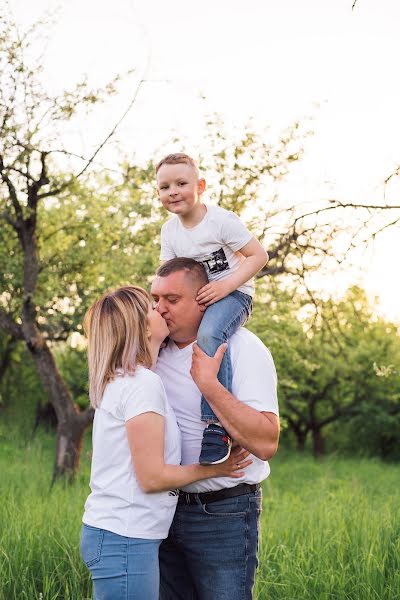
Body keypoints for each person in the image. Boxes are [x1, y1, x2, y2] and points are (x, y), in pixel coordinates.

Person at [79, 285, 252, 600]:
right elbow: (152, 477)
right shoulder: (141, 384)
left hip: (120, 534)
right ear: (142, 327)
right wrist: (216, 469)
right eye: (151, 307)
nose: (160, 309)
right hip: (125, 538)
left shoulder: (126, 379)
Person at [151, 258, 280, 600]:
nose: (160, 308)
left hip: (222, 513)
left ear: (205, 299)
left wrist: (209, 383)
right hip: (160, 509)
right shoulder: (152, 352)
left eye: (172, 300)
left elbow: (266, 442)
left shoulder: (241, 348)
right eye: (156, 299)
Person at [156, 152, 269, 465]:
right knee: (155, 328)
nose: (173, 191)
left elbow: (259, 256)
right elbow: (169, 273)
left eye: (181, 183)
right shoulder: (170, 231)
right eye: (165, 187)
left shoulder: (221, 221)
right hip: (201, 296)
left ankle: (216, 426)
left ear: (200, 186)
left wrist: (225, 286)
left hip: (234, 294)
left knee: (210, 334)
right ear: (158, 194)